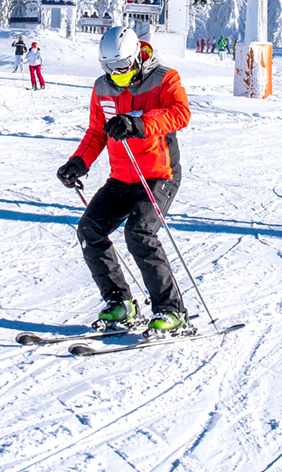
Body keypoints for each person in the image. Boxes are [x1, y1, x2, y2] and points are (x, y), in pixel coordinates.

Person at [55, 27, 195, 338]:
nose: (116, 74)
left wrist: (139, 123)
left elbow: (180, 113)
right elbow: (96, 133)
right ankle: (120, 302)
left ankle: (170, 310)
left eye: (122, 67)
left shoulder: (163, 78)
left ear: (135, 59)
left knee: (139, 233)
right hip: (121, 176)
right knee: (89, 230)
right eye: (109, 68)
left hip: (159, 174)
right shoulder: (102, 87)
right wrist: (79, 162)